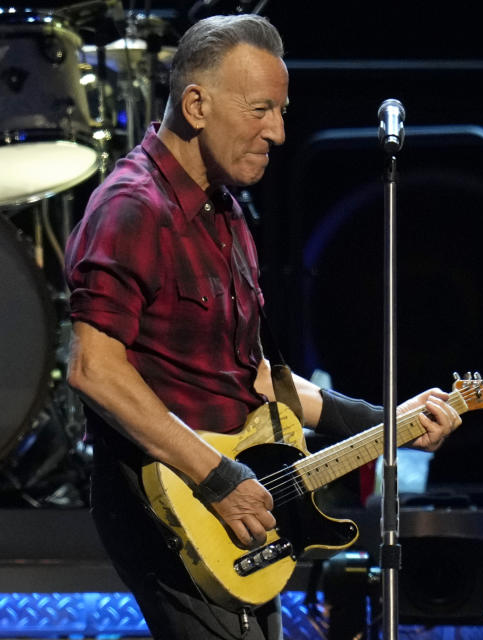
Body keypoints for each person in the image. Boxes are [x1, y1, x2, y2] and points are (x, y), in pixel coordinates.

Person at [64, 14, 462, 640]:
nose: (277, 131)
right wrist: (219, 478)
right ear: (196, 105)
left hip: (242, 507)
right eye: (260, 109)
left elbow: (254, 379)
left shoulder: (224, 210)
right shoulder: (132, 206)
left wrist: (386, 422)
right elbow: (93, 367)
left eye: (281, 110)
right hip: (175, 505)